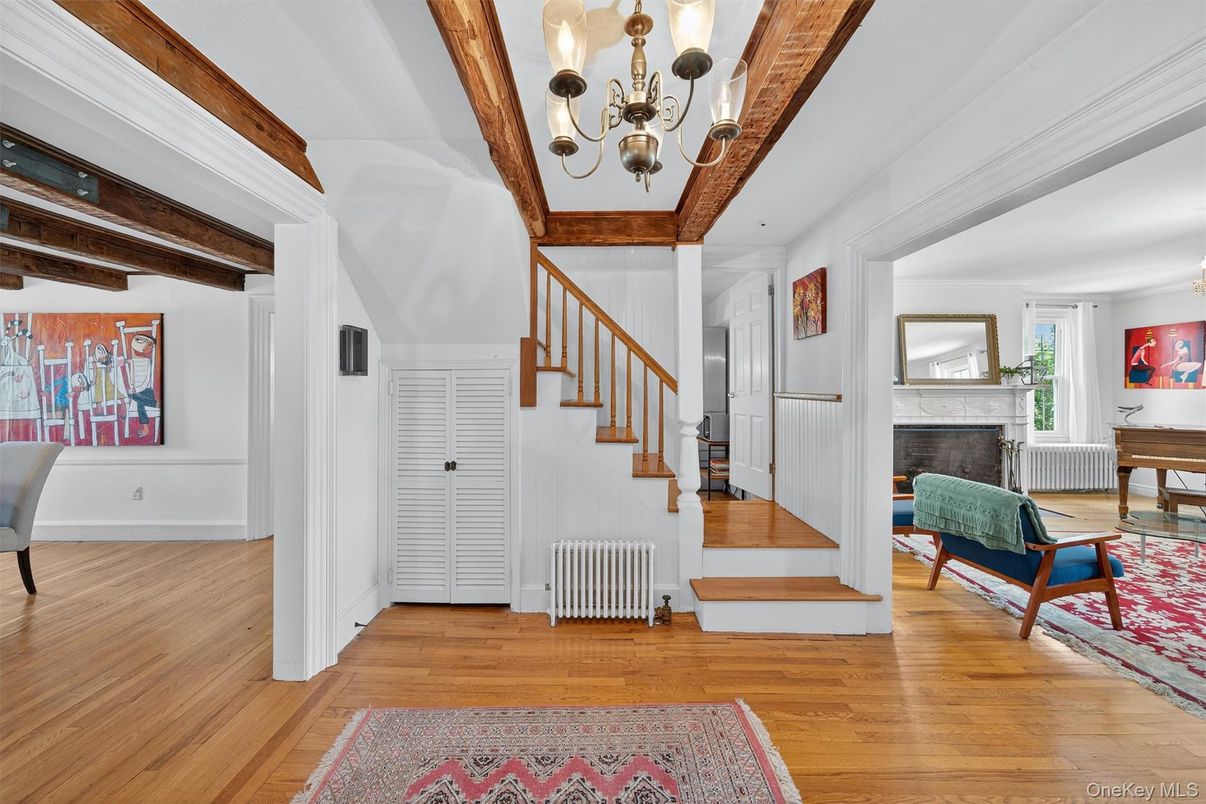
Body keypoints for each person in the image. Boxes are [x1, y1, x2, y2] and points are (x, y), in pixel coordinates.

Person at [116, 333, 157, 439]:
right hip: (136, 393)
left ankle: (146, 428)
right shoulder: (131, 361)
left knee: (138, 401)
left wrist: (136, 390)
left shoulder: (147, 361)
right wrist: (121, 362)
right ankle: (153, 404)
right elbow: (121, 363)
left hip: (146, 392)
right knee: (135, 399)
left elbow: (147, 379)